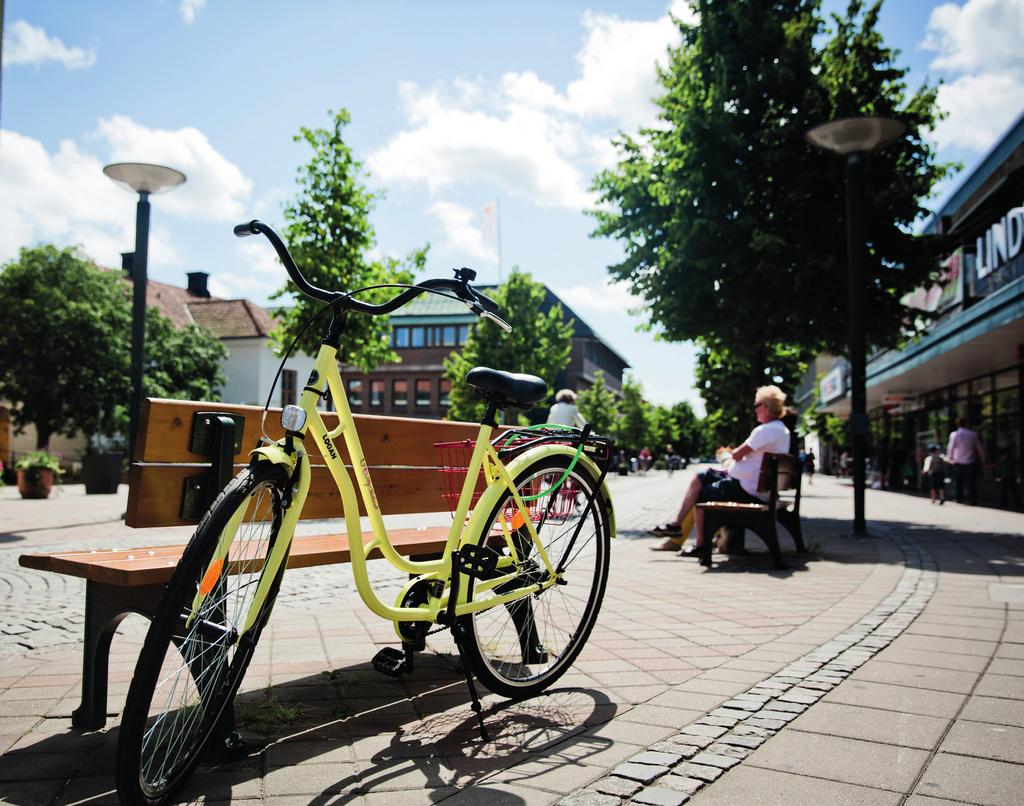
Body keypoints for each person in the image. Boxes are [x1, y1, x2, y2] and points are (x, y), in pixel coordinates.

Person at [649, 385, 791, 558]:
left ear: (766, 407)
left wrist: (727, 455)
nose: (755, 410)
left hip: (748, 488)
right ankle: (677, 525)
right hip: (758, 487)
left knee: (702, 492)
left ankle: (699, 543)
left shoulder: (765, 430)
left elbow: (737, 454)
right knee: (701, 475)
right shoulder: (782, 431)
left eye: (757, 405)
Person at [946, 417, 985, 505]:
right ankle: (973, 500)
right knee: (971, 482)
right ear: (966, 424)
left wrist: (949, 458)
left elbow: (951, 447)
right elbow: (979, 448)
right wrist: (983, 459)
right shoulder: (973, 434)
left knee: (959, 482)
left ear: (958, 424)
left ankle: (959, 499)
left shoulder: (955, 434)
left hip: (958, 461)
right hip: (970, 461)